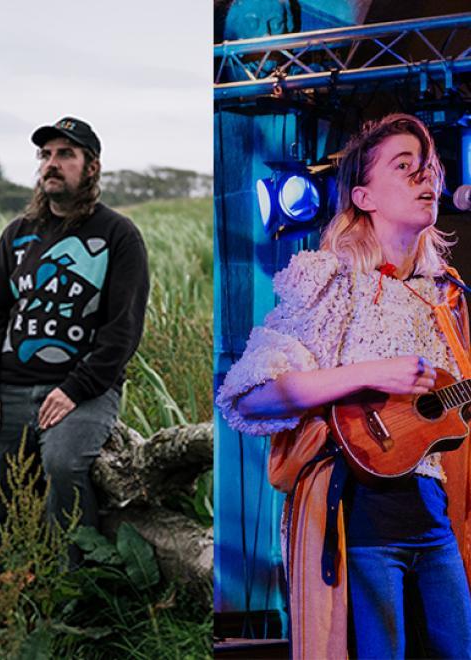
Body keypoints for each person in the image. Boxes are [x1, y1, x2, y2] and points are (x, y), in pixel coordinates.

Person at [216, 113, 471, 658]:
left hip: (435, 516)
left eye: (429, 167)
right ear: (364, 195)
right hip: (361, 519)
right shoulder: (330, 282)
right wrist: (368, 374)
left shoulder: (445, 298)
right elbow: (247, 395)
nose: (426, 177)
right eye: (405, 167)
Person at [0, 117, 150, 562]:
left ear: (91, 167)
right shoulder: (17, 235)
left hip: (83, 390)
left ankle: (76, 587)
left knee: (64, 464)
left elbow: (122, 328)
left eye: (65, 154)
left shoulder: (117, 235)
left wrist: (74, 390)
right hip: (10, 387)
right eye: (46, 155)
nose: (52, 164)